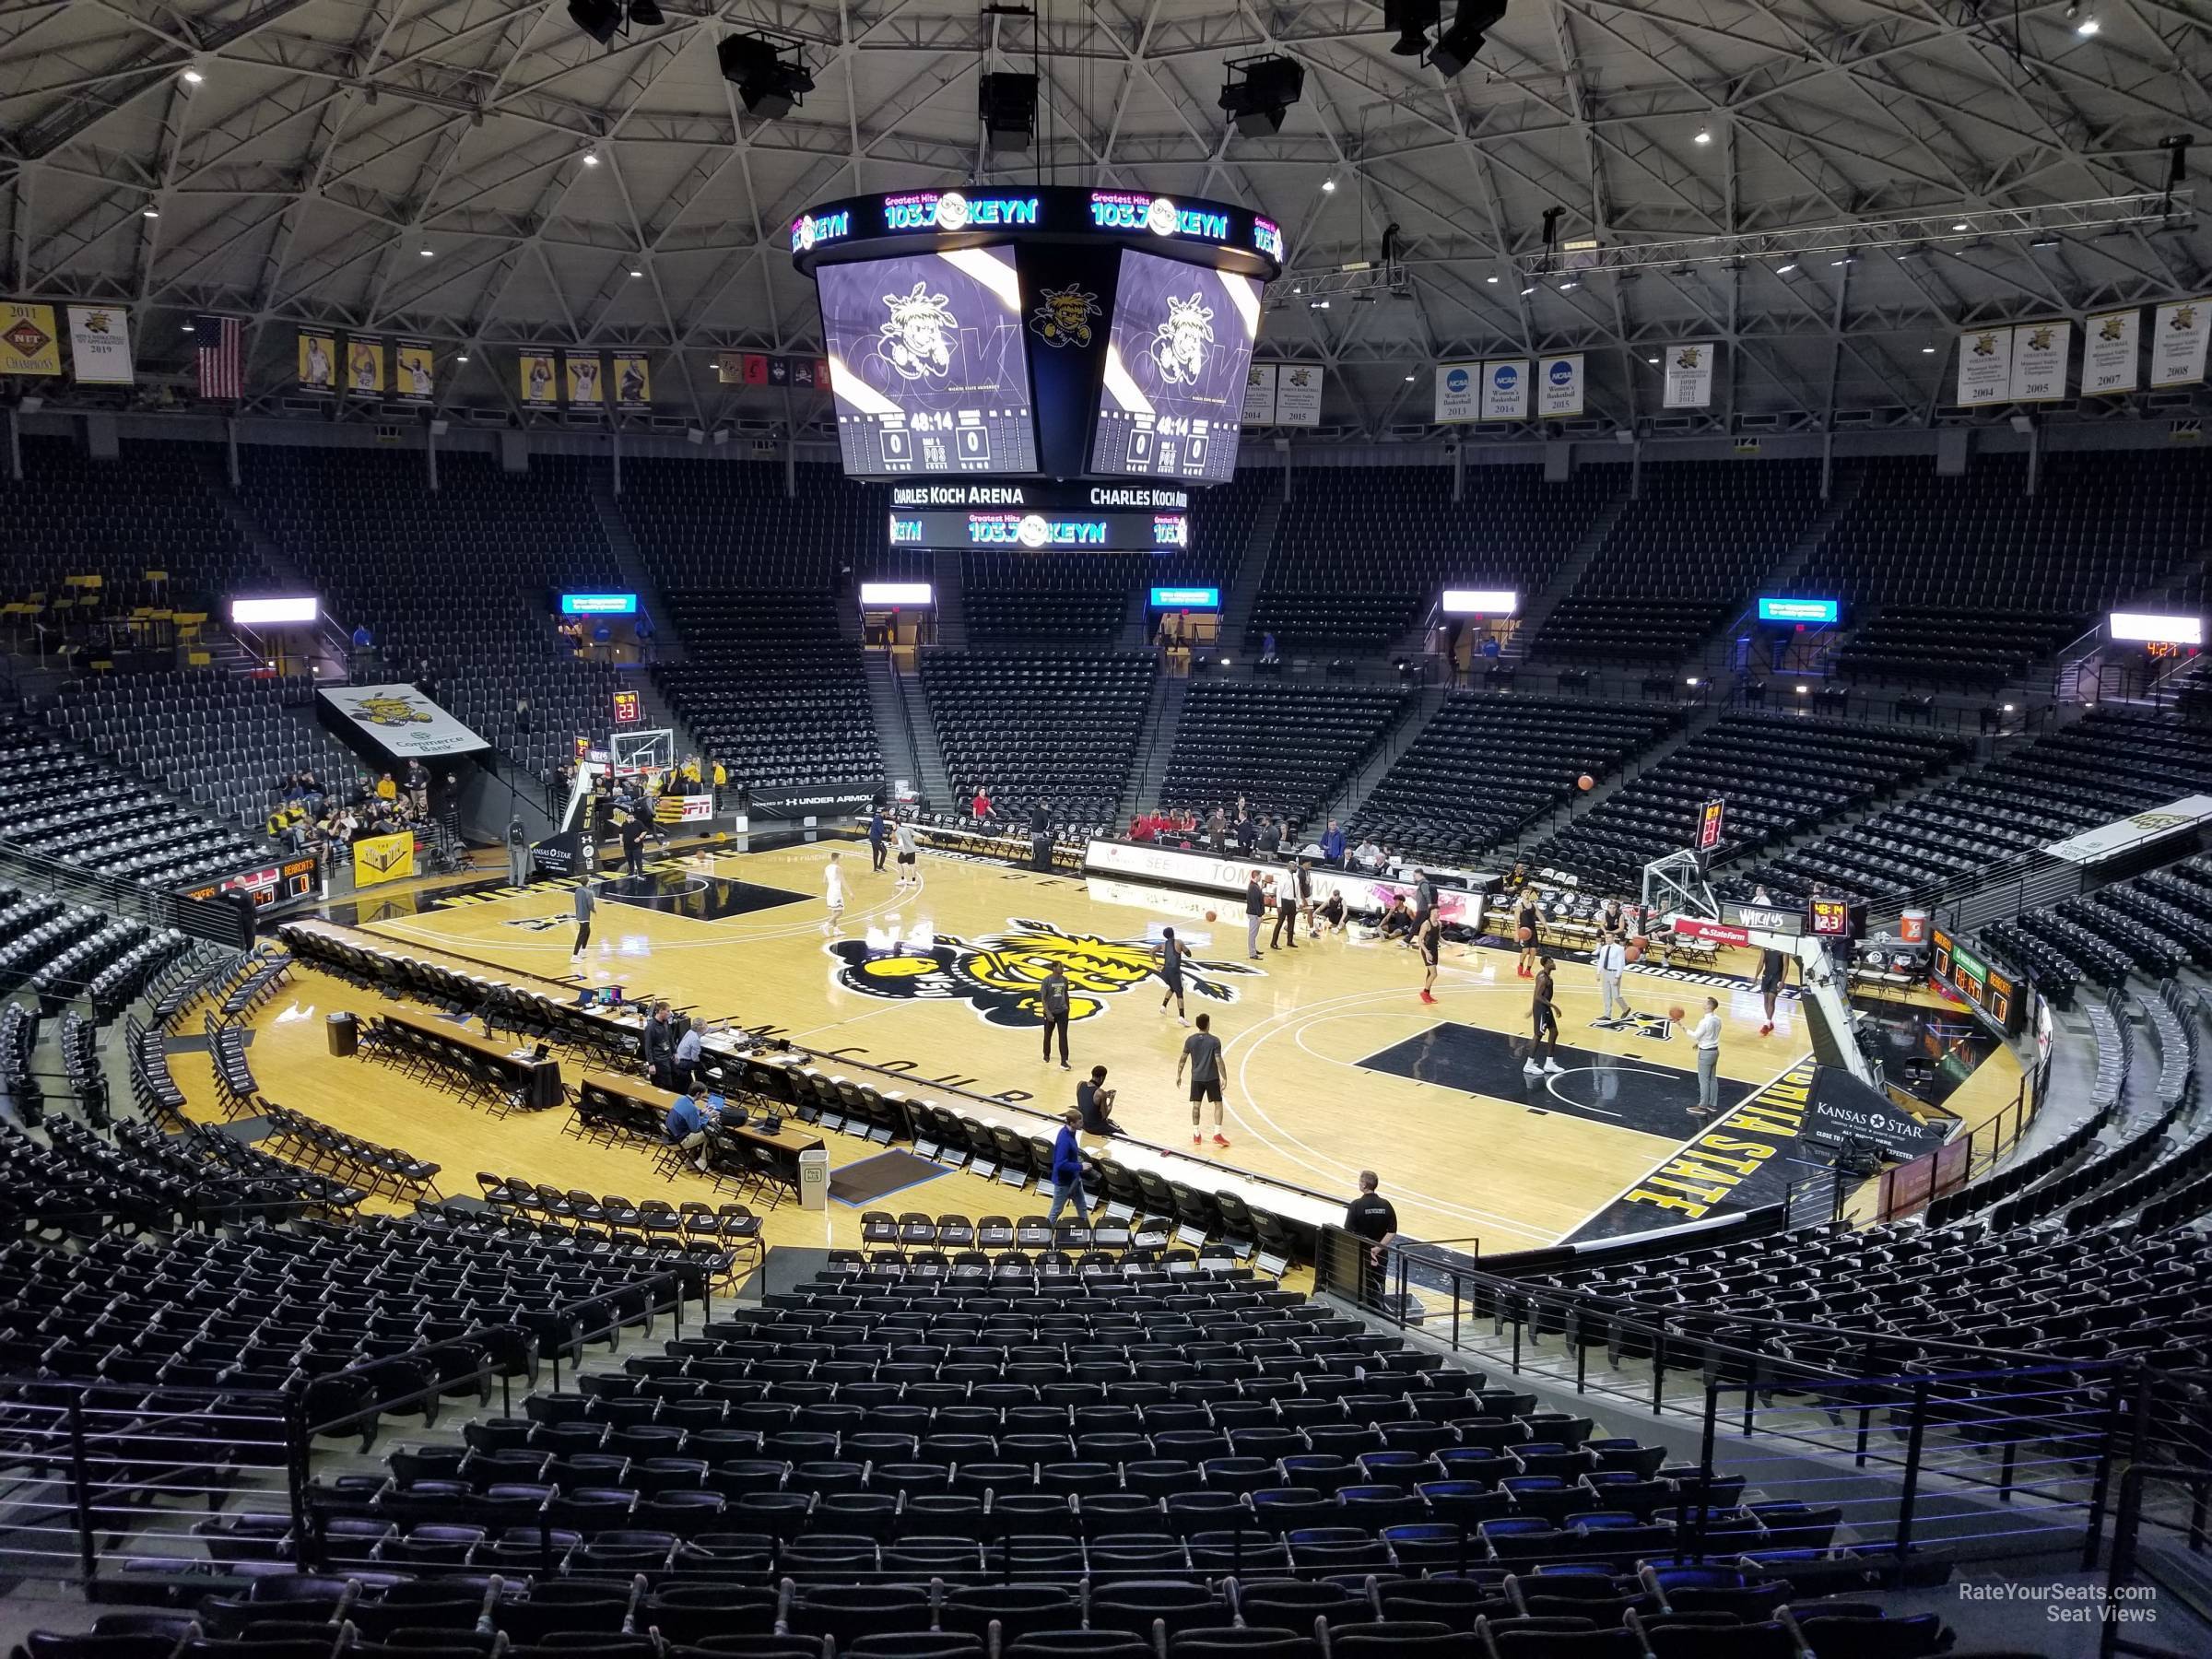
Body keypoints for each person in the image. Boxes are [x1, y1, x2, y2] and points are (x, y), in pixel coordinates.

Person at [1343, 1171, 1398, 1308]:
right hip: (1381, 1254)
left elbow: (1349, 1233)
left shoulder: (1356, 1205)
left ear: (1364, 1185)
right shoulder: (1386, 1204)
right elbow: (1392, 1232)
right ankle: (1379, 1310)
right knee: (1379, 1283)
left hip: (1361, 1253)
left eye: (1360, 1181)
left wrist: (1368, 1251)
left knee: (1360, 1283)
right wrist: (1377, 1249)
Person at [1177, 1011, 1229, 1148]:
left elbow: (1183, 1059)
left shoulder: (1190, 1040)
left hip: (1196, 1078)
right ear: (1208, 1025)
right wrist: (1224, 1077)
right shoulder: (1214, 1041)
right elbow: (1219, 1060)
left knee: (1196, 1106)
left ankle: (1196, 1134)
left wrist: (1179, 1074)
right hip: (1211, 1078)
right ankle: (1217, 1134)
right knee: (1218, 1104)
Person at [1044, 1109, 1089, 1224]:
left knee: (1082, 1207)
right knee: (1056, 1210)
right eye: (1080, 1123)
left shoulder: (1069, 1132)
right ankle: (1047, 1233)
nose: (1082, 1124)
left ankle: (1088, 1233)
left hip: (1074, 1178)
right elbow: (1060, 1164)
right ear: (1072, 1123)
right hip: (1063, 1182)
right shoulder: (1065, 1139)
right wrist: (1080, 1167)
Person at [1524, 954, 1561, 1077]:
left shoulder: (1547, 976)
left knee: (1554, 1032)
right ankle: (1529, 1065)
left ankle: (1549, 1063)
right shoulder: (1542, 978)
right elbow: (1538, 996)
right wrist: (1554, 1006)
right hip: (1541, 1008)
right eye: (1552, 962)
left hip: (1544, 1008)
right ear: (1546, 964)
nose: (1554, 963)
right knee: (1538, 1035)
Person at [665, 1085, 712, 1173]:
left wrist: (701, 1111)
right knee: (709, 1133)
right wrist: (707, 1116)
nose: (703, 1097)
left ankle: (690, 1162)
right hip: (677, 1143)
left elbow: (687, 1111)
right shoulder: (692, 1108)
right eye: (703, 1095)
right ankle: (702, 1162)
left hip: (668, 1139)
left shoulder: (680, 1099)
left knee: (692, 1133)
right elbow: (696, 1129)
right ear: (698, 1094)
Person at [1039, 962, 1072, 1069]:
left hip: (1062, 1011)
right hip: (1050, 1012)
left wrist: (1068, 1007)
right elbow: (1043, 998)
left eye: (1062, 966)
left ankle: (1064, 1061)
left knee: (1063, 1036)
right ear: (1054, 968)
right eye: (1060, 966)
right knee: (1048, 1035)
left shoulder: (1064, 980)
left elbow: (1066, 993)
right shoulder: (1047, 980)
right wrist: (1047, 1012)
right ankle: (1046, 1054)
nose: (1062, 968)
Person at [1594, 929, 1632, 1022]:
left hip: (1614, 973)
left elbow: (1621, 964)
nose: (1607, 939)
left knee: (1616, 995)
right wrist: (1598, 973)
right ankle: (1607, 1015)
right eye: (1606, 938)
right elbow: (1601, 961)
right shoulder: (1603, 948)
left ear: (1614, 938)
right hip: (1605, 972)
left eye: (1609, 937)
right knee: (1606, 995)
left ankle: (1626, 1008)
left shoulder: (1619, 949)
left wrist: (1617, 977)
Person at [1274, 859, 1309, 950]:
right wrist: (1279, 905)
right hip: (1284, 901)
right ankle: (1273, 942)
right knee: (1280, 923)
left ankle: (1289, 941)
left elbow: (1297, 893)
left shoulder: (1296, 878)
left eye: (1296, 866)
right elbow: (1279, 892)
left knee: (1291, 923)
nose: (1296, 868)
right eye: (1294, 867)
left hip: (1292, 902)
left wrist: (1298, 903)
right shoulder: (1283, 877)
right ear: (1289, 867)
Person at [1157, 927, 1189, 1024]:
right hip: (1174, 972)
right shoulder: (1179, 942)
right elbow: (1189, 954)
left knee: (1172, 988)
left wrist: (1155, 963)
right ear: (1173, 933)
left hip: (1165, 971)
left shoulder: (1162, 945)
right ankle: (1181, 1017)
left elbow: (1151, 951)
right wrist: (1184, 949)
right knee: (1179, 993)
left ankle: (1163, 1006)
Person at [643, 1001, 677, 1089]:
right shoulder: (651, 1027)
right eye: (668, 1011)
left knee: (672, 1082)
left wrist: (675, 1052)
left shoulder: (666, 1022)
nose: (670, 1013)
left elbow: (670, 1037)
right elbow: (648, 1047)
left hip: (668, 1057)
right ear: (661, 1011)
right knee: (664, 1085)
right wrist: (651, 1064)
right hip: (659, 1060)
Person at [1077, 1065, 1117, 1135]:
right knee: (1119, 1131)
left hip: (1083, 1123)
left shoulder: (1080, 1084)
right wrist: (1111, 1100)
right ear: (1102, 1078)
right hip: (1096, 1128)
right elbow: (1105, 1116)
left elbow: (1087, 1099)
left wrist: (1105, 1095)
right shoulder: (1100, 1093)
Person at [1757, 947, 1787, 1035]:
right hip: (1766, 975)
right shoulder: (1764, 947)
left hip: (1777, 977)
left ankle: (1766, 1024)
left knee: (1771, 999)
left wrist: (1782, 981)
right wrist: (1756, 976)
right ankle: (1769, 1022)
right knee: (1766, 999)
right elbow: (1761, 962)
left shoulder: (1783, 950)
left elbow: (1786, 966)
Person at [1515, 888, 1542, 979]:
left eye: (1528, 892)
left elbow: (1540, 917)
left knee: (1533, 951)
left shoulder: (1534, 906)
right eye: (1525, 892)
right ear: (1521, 895)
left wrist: (1547, 927)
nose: (1527, 894)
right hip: (1524, 931)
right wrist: (1516, 933)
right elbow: (1516, 921)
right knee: (1525, 951)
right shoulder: (1519, 907)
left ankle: (1528, 971)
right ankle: (1520, 966)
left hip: (1533, 931)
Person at [1418, 906, 1442, 1004]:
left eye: (1439, 912)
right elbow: (1420, 941)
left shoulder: (1439, 923)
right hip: (1427, 951)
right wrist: (1427, 952)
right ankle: (1424, 993)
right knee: (1434, 974)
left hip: (1434, 950)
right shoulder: (1426, 924)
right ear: (1432, 913)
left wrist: (1448, 943)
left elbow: (1439, 937)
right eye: (1437, 912)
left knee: (1430, 974)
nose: (1439, 913)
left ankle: (1427, 994)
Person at [674, 1017, 703, 1092]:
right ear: (700, 1028)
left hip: (677, 1059)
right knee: (703, 1065)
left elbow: (708, 1029)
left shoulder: (690, 1032)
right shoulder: (695, 1039)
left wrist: (720, 1027)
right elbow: (695, 1058)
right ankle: (702, 1084)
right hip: (683, 1063)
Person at [1243, 869, 1265, 960]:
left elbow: (1257, 897)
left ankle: (1254, 949)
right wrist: (1259, 916)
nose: (1261, 877)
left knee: (1254, 933)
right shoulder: (1253, 887)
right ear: (1257, 876)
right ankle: (1252, 953)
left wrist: (1262, 888)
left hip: (1254, 913)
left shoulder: (1254, 886)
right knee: (1252, 934)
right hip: (1254, 914)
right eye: (1260, 875)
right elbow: (1255, 902)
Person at [822, 851, 846, 935]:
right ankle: (826, 925)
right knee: (840, 911)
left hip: (829, 891)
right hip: (836, 892)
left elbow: (824, 881)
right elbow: (843, 882)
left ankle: (836, 930)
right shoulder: (838, 868)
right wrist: (850, 893)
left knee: (834, 910)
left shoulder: (827, 867)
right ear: (837, 858)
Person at [620, 809, 649, 879]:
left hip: (637, 846)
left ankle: (640, 874)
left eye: (631, 817)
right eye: (629, 818)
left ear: (634, 818)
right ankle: (631, 872)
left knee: (638, 860)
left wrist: (639, 838)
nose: (630, 819)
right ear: (626, 818)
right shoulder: (624, 824)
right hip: (627, 846)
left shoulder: (638, 823)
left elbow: (645, 831)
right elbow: (621, 833)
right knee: (629, 860)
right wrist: (621, 841)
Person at [893, 815, 920, 889]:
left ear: (897, 825)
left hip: (906, 850)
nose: (892, 826)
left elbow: (900, 841)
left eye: (893, 825)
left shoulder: (898, 832)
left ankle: (902, 879)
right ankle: (914, 881)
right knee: (912, 865)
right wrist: (923, 836)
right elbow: (915, 833)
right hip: (913, 850)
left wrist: (903, 849)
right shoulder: (907, 829)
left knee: (899, 863)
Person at [571, 878, 595, 960]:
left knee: (588, 931)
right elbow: (591, 905)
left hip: (579, 914)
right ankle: (574, 956)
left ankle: (583, 951)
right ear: (587, 882)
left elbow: (575, 900)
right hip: (585, 916)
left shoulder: (578, 890)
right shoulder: (589, 892)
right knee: (581, 936)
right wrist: (594, 910)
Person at [867, 806, 888, 874]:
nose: (887, 816)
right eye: (887, 814)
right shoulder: (879, 819)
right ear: (884, 812)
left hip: (873, 838)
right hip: (876, 838)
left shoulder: (877, 817)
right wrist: (889, 832)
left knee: (876, 852)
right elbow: (881, 830)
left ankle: (876, 868)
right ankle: (879, 867)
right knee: (884, 852)